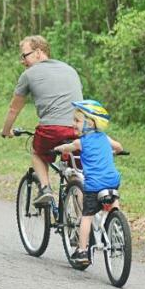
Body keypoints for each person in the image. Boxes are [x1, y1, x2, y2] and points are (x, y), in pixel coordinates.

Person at [0, 35, 83, 207]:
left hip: (52, 130)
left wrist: (6, 131)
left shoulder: (28, 74)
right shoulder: (70, 69)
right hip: (79, 131)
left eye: (24, 55)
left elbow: (14, 109)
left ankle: (45, 189)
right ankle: (81, 225)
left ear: (38, 52)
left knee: (37, 152)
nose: (22, 61)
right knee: (76, 173)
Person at [53, 100, 123, 269]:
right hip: (113, 180)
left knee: (87, 216)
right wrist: (114, 151)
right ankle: (118, 226)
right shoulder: (105, 138)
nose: (73, 124)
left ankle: (83, 251)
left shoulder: (81, 143)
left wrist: (57, 149)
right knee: (112, 201)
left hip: (94, 185)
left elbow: (67, 148)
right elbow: (119, 147)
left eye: (77, 121)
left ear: (90, 123)